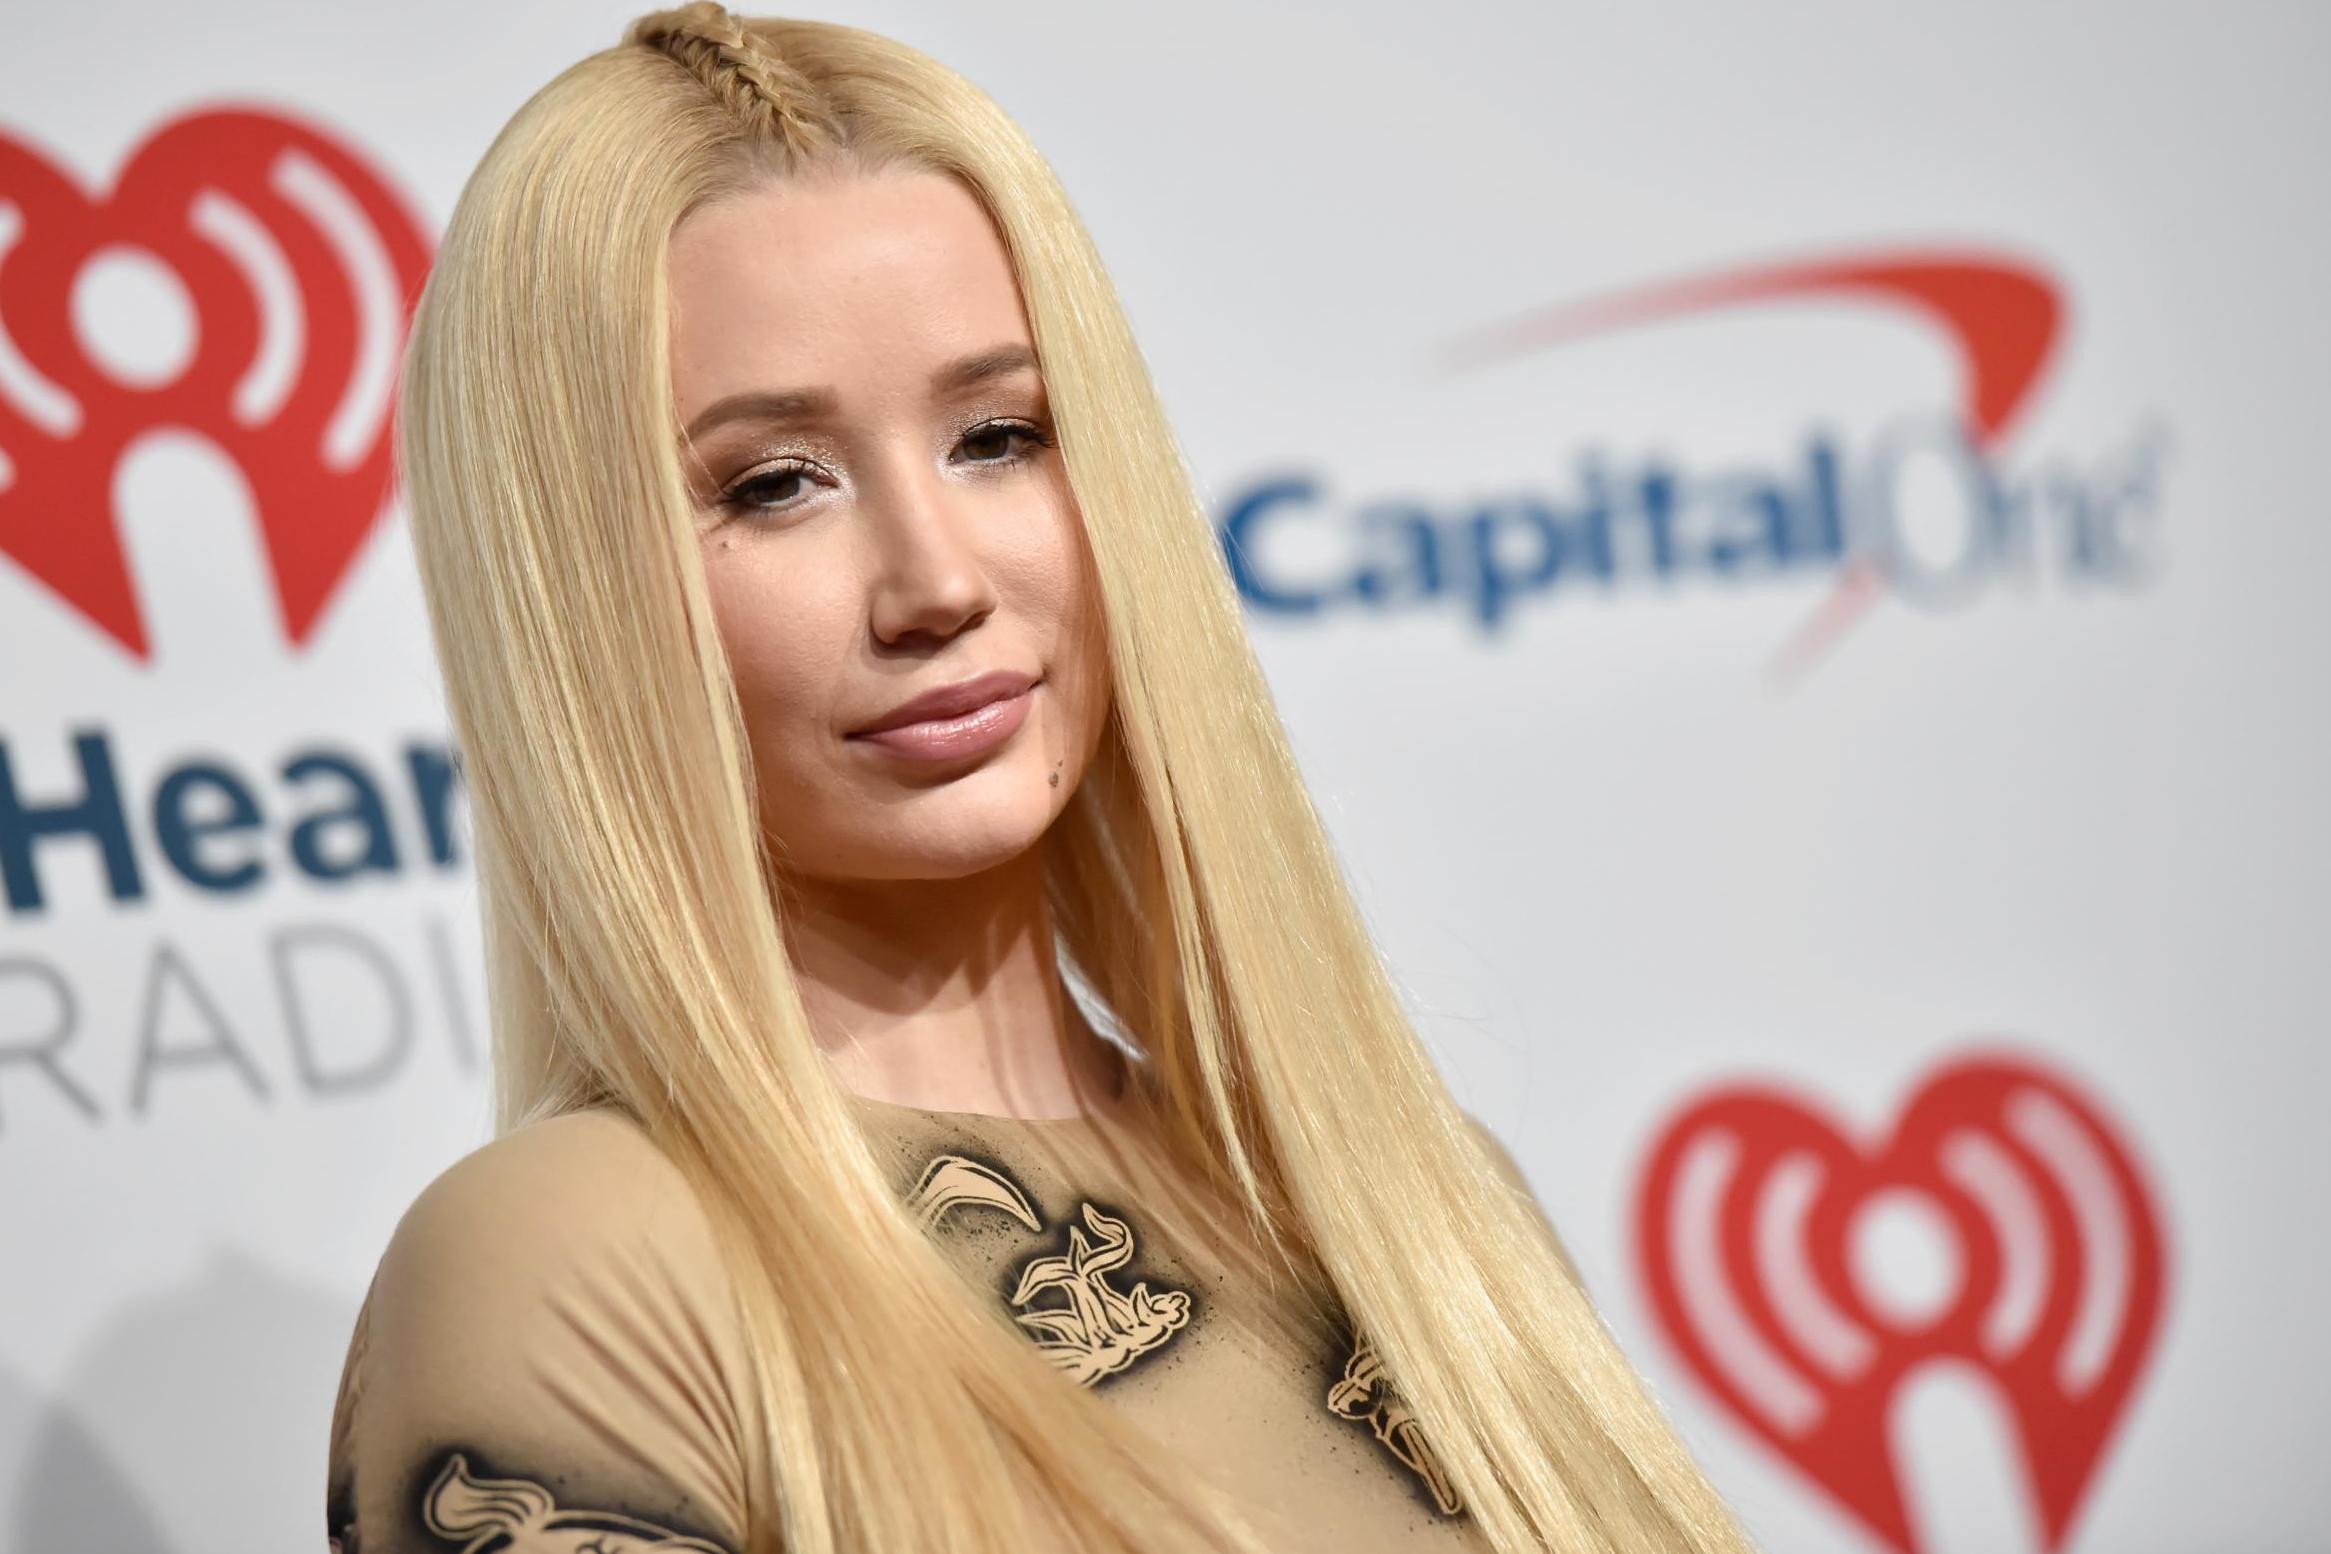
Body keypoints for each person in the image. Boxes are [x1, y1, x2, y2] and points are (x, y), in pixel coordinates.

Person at [325, 6, 1761, 1553]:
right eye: (771, 483)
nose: (935, 579)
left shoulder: (1419, 1202)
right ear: (573, 595)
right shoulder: (574, 1267)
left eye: (1001, 435)